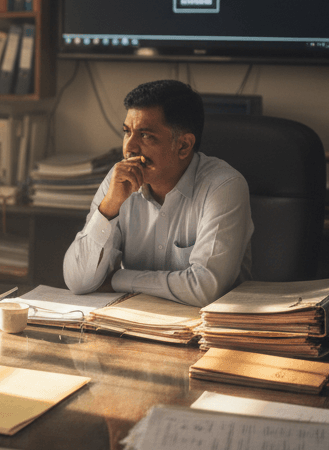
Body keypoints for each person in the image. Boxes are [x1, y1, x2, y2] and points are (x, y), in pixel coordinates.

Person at [62, 79, 253, 308]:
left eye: (145, 135)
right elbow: (78, 282)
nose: (129, 148)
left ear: (183, 146)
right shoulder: (119, 180)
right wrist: (109, 207)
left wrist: (118, 279)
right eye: (127, 132)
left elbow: (205, 288)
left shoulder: (224, 186)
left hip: (211, 334)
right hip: (135, 324)